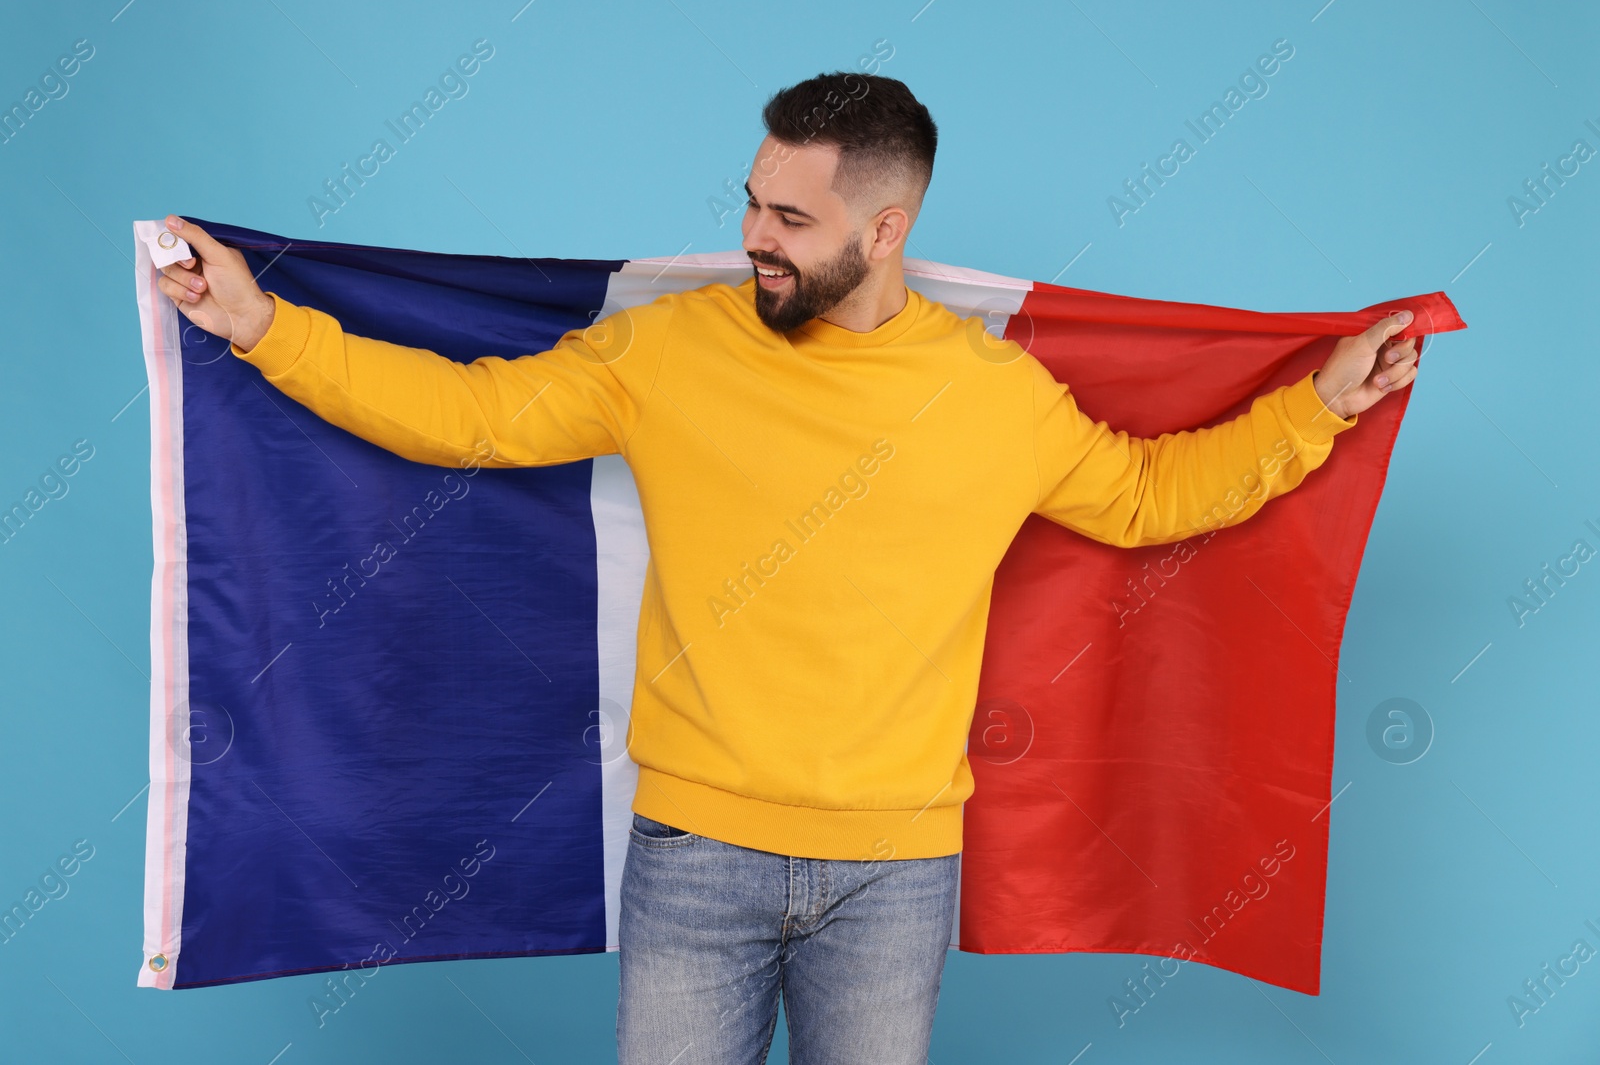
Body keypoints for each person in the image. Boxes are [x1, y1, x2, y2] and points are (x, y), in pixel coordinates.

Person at [155, 71, 1417, 1065]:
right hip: (694, 850)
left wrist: (1320, 404)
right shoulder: (670, 350)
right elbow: (472, 419)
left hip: (898, 868)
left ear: (886, 227)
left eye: (789, 218)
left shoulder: (993, 398)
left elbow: (1149, 500)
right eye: (751, 201)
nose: (752, 236)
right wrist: (262, 324)